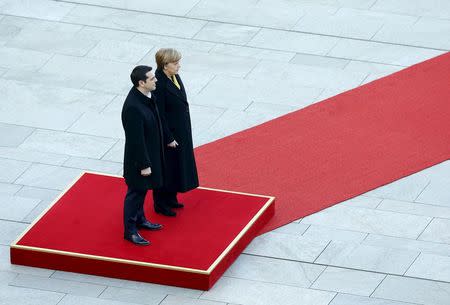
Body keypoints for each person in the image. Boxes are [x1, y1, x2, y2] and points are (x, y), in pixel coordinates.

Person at [152, 48, 199, 216]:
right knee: (167, 169)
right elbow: (160, 115)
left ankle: (171, 198)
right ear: (165, 65)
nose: (179, 65)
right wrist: (168, 137)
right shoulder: (159, 84)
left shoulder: (173, 76)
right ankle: (161, 203)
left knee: (177, 166)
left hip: (181, 130)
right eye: (175, 63)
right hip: (169, 134)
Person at [121, 65, 163, 246]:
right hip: (138, 161)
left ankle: (140, 219)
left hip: (149, 154)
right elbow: (135, 140)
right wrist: (144, 164)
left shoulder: (146, 96)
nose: (156, 80)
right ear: (141, 83)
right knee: (135, 193)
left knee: (143, 190)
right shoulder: (133, 107)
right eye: (152, 79)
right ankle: (130, 231)